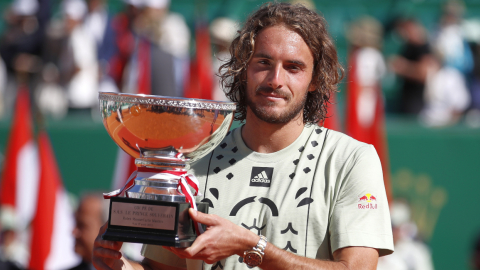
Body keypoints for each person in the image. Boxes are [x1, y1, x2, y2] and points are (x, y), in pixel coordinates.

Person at [93, 3, 394, 270]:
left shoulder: (351, 159)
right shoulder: (193, 159)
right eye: (263, 62)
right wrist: (119, 265)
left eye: (293, 67)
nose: (276, 80)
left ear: (315, 79)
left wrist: (251, 247)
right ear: (243, 68)